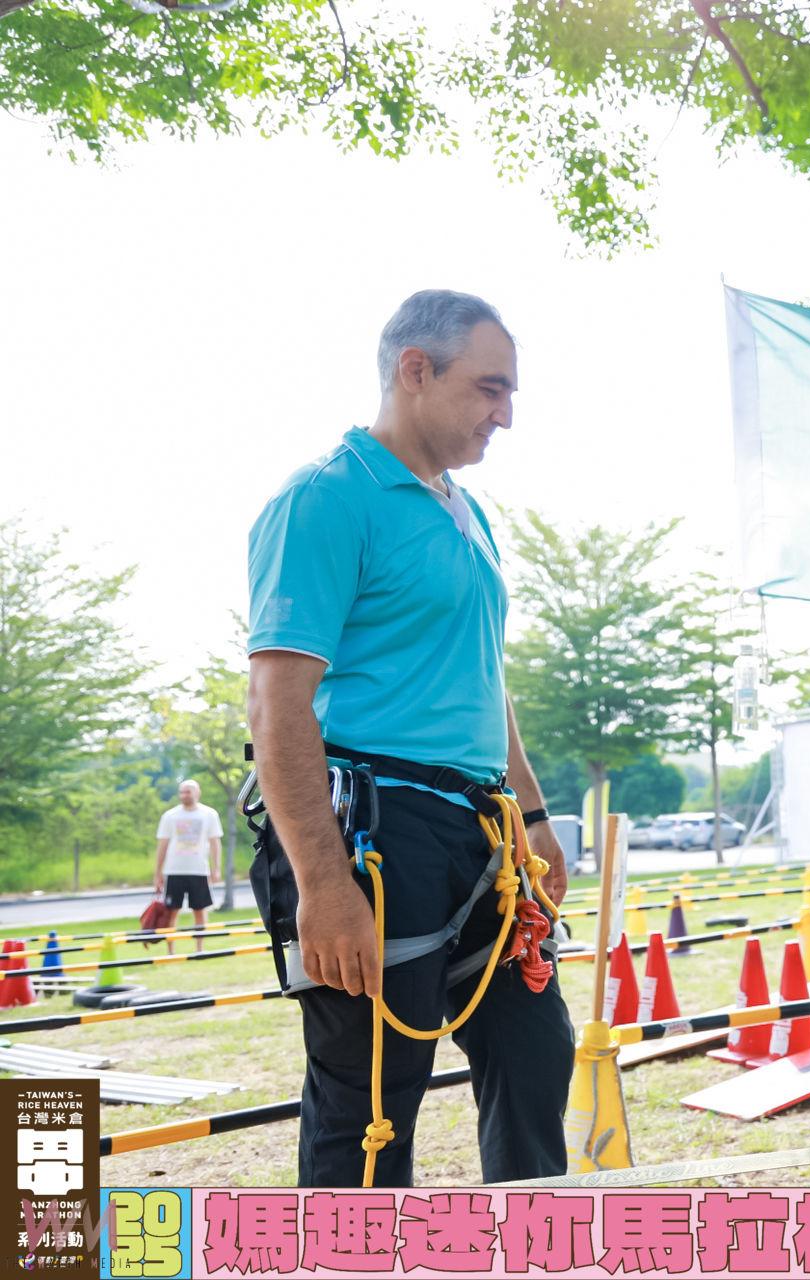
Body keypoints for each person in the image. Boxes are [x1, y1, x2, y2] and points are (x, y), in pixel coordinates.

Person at [246, 290, 571, 1186]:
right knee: (373, 1102)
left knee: (536, 1054)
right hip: (375, 832)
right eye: (489, 388)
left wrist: (533, 817)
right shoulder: (325, 499)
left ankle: (533, 1246)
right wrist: (323, 885)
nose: (505, 414)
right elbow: (277, 706)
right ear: (414, 371)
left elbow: (485, 682)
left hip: (483, 832)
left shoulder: (468, 514)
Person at [153, 779, 222, 953]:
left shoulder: (209, 814)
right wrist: (158, 873)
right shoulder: (170, 816)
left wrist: (216, 868)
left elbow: (215, 843)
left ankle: (199, 949)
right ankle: (171, 951)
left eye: (187, 792)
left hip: (198, 870)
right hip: (174, 870)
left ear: (197, 793)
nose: (184, 795)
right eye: (181, 792)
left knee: (199, 910)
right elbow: (163, 845)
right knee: (172, 911)